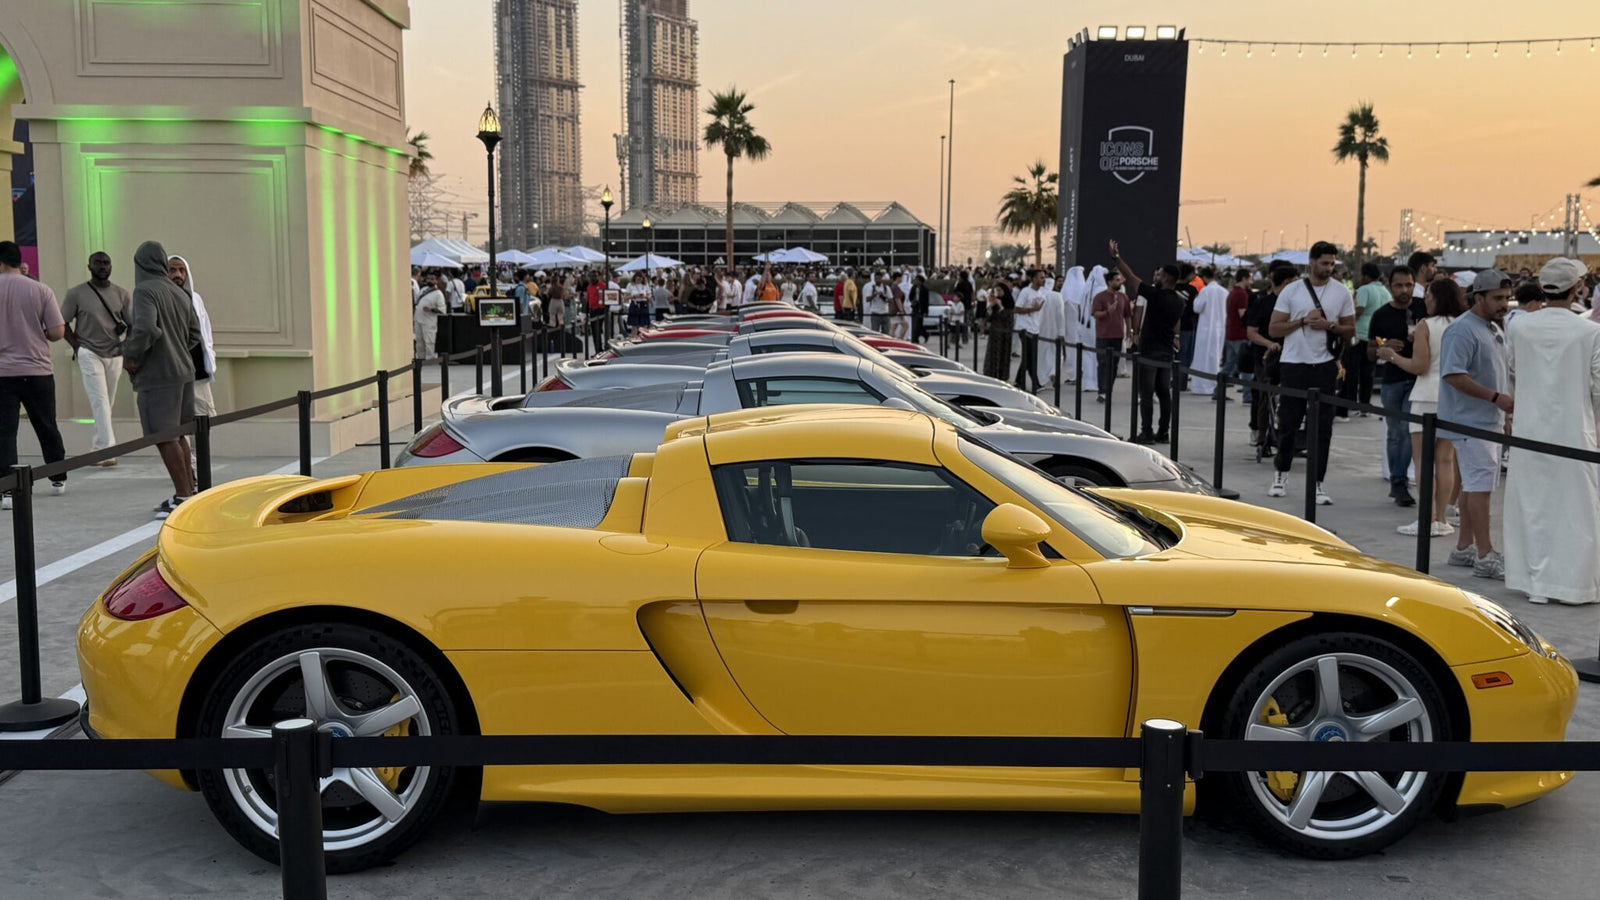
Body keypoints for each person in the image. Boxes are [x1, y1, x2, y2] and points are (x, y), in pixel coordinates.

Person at [1504, 258, 1600, 605]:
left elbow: (1512, 370)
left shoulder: (1518, 326)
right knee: (1576, 508)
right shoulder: (1590, 331)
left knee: (1532, 505)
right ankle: (1574, 585)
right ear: (1576, 289)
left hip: (1529, 429)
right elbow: (1599, 390)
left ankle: (1533, 582)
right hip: (1575, 431)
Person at [1266, 241, 1356, 504]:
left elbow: (1351, 330)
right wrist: (1303, 321)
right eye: (1324, 263)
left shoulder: (1341, 292)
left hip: (1325, 364)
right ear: (1312, 262)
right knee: (1288, 423)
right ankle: (1280, 474)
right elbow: (1274, 328)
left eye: (1332, 263)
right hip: (1294, 363)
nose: (1329, 268)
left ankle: (1318, 483)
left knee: (1323, 427)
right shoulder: (1292, 291)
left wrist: (1329, 325)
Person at [1438, 270, 1513, 579]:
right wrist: (1495, 398)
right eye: (1497, 298)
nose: (1504, 304)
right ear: (1478, 297)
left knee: (1476, 486)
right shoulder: (1462, 330)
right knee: (1480, 488)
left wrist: (1502, 411)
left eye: (1507, 298)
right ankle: (1485, 554)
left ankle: (1465, 547)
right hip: (1470, 422)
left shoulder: (1491, 328)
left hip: (1485, 420)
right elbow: (1454, 375)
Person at [123, 241, 202, 519]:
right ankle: (187, 493)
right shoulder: (179, 292)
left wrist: (131, 355)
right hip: (183, 371)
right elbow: (195, 334)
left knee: (164, 435)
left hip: (158, 374)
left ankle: (182, 496)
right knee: (177, 433)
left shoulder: (145, 290)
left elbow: (145, 328)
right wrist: (176, 347)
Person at [1387, 278, 1464, 535]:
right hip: (1454, 397)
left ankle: (1426, 518)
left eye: (1429, 294)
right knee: (1445, 460)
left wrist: (1393, 357)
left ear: (1438, 298)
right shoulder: (1464, 324)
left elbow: (1419, 366)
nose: (1426, 299)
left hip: (1426, 396)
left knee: (1423, 462)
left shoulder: (1425, 325)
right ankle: (1441, 518)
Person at [0, 240, 68, 509]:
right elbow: (58, 332)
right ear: (19, 261)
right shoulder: (40, 289)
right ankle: (58, 476)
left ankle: (6, 489)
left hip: (3, 373)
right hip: (37, 369)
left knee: (5, 431)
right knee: (46, 424)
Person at [61, 250, 131, 464]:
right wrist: (77, 347)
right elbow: (62, 323)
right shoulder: (76, 294)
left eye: (106, 263)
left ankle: (99, 446)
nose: (103, 266)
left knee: (106, 402)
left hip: (115, 354)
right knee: (99, 400)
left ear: (111, 267)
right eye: (98, 263)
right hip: (89, 352)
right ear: (89, 266)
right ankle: (107, 452)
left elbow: (134, 324)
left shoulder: (122, 294)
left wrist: (125, 346)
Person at [1108, 240, 1182, 444]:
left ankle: (1146, 432)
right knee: (1164, 393)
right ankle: (1164, 432)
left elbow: (1130, 277)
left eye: (1160, 275)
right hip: (1166, 352)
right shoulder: (1179, 301)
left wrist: (1116, 257)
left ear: (1166, 277)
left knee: (1146, 394)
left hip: (1149, 351)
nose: (1157, 277)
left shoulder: (1155, 295)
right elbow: (1176, 324)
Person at [1368, 265, 1421, 507]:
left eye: (1408, 284)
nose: (1404, 290)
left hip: (1418, 378)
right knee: (1394, 432)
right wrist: (1384, 347)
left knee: (1407, 431)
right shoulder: (1380, 315)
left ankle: (1400, 482)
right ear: (1390, 286)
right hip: (1391, 379)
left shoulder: (1422, 309)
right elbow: (1370, 352)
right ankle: (1396, 481)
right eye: (1399, 285)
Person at [1245, 267, 1294, 450]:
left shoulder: (1294, 304)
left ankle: (1283, 437)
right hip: (1265, 359)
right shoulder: (1263, 303)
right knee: (1264, 399)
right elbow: (1251, 332)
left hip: (1290, 359)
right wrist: (1268, 344)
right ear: (1286, 282)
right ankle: (1262, 437)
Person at [167, 256, 216, 416]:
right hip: (173, 368)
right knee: (178, 417)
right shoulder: (160, 299)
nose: (178, 275)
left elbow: (205, 330)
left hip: (197, 367)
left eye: (182, 270)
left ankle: (201, 443)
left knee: (205, 415)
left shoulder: (195, 299)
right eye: (172, 270)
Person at [1341, 261, 1386, 417]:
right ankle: (1365, 405)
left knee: (1352, 371)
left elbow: (1359, 310)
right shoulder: (1385, 291)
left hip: (1360, 334)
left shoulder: (1364, 289)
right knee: (1369, 372)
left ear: (1366, 275)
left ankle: (1352, 404)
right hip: (1377, 337)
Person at [1091, 269, 1131, 403]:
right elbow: (1096, 314)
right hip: (1103, 336)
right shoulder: (1100, 297)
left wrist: (1130, 332)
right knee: (1103, 363)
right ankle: (1102, 391)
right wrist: (1107, 312)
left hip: (1118, 336)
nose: (1119, 282)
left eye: (1120, 280)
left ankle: (1108, 390)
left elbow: (1127, 315)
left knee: (1113, 365)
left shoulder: (1123, 297)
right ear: (1109, 282)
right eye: (1117, 280)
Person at [1189, 269, 1227, 396]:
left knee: (1202, 357)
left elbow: (1197, 307)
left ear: (1205, 277)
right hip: (1220, 328)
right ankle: (1213, 385)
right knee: (1215, 357)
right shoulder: (1224, 292)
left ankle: (1201, 386)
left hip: (1205, 330)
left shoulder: (1205, 291)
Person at [1013, 270, 1047, 393]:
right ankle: (1035, 383)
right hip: (1024, 328)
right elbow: (1017, 309)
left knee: (1029, 357)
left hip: (1035, 328)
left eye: (1044, 277)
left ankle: (1019, 381)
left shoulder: (1042, 293)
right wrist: (1033, 309)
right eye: (1041, 277)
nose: (1043, 280)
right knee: (1029, 357)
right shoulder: (1025, 292)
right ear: (1033, 279)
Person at [1222, 269, 1251, 404]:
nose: (1251, 281)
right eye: (1250, 278)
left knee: (1228, 366)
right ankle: (1248, 396)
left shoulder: (1232, 292)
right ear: (1244, 278)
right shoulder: (1242, 294)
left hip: (1230, 332)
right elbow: (1243, 316)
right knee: (1246, 366)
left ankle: (1218, 391)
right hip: (1240, 334)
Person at [1038, 272, 1069, 387]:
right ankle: (1053, 372)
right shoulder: (1057, 296)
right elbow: (1060, 315)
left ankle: (1042, 378)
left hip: (1040, 330)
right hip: (1055, 330)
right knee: (1057, 354)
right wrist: (1062, 332)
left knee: (1042, 354)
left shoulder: (1039, 294)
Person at [983, 282, 1016, 381]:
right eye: (997, 291)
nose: (998, 293)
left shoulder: (1009, 302)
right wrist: (990, 306)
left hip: (1005, 333)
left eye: (1000, 291)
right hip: (995, 332)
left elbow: (1007, 317)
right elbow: (987, 318)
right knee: (993, 354)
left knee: (1003, 355)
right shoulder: (995, 302)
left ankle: (1003, 376)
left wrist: (1001, 307)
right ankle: (991, 374)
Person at [414, 274, 446, 358]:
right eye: (428, 278)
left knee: (429, 341)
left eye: (432, 279)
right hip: (418, 319)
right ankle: (420, 358)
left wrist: (431, 309)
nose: (429, 280)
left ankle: (429, 358)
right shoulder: (423, 290)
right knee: (419, 340)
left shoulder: (438, 294)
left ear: (436, 281)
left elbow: (442, 310)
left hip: (429, 321)